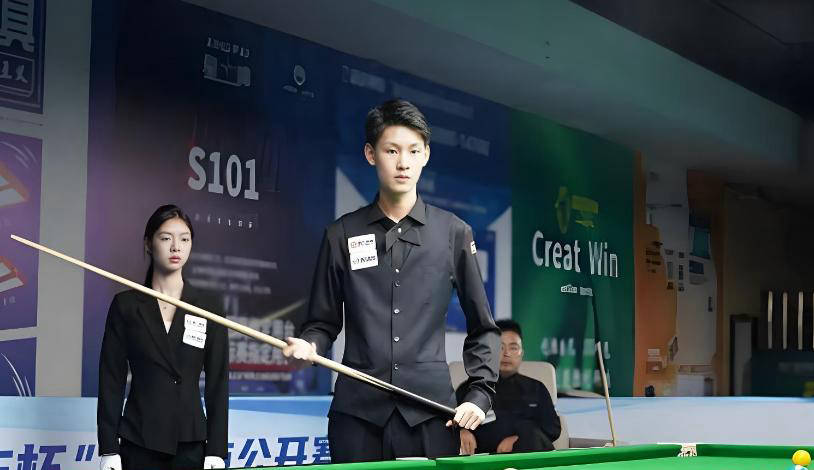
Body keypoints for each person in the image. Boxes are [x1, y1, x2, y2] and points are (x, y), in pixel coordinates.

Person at [282, 99, 500, 462]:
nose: (403, 162)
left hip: (430, 414)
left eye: (414, 151)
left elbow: (484, 328)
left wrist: (479, 395)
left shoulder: (454, 233)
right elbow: (322, 322)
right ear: (371, 154)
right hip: (357, 416)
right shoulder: (341, 234)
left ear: (426, 155)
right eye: (392, 150)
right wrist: (309, 344)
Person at [97, 204, 229, 470]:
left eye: (184, 239)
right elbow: (111, 380)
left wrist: (216, 450)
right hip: (139, 438)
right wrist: (109, 448)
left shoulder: (208, 307)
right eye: (166, 238)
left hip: (190, 441)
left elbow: (218, 382)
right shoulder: (126, 305)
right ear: (149, 243)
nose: (176, 247)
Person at [457, 320, 561, 455]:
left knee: (532, 436)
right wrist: (461, 431)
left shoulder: (536, 388)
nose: (506, 354)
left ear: (521, 353)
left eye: (513, 348)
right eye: (500, 347)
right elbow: (448, 421)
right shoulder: (472, 389)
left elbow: (552, 429)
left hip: (528, 455)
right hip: (486, 458)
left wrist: (520, 438)